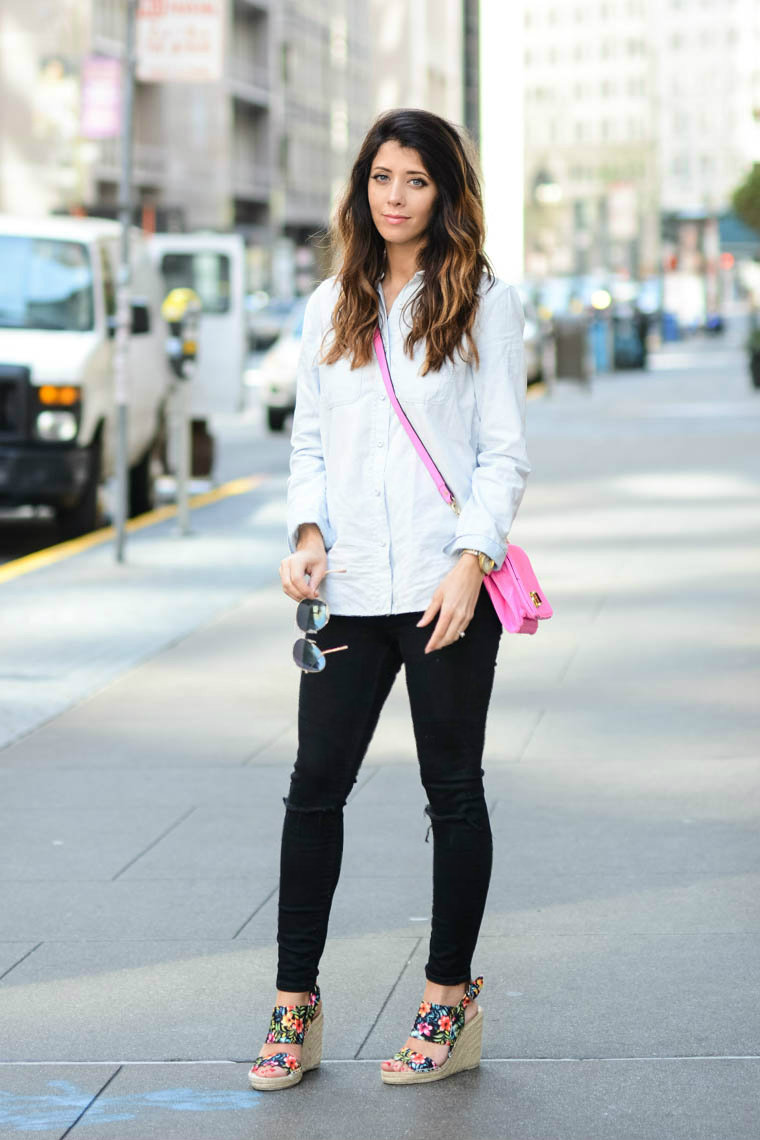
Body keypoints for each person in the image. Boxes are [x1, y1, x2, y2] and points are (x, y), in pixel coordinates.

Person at [248, 108, 530, 1091]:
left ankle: (448, 1003)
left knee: (451, 793)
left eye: (414, 179)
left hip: (444, 587)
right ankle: (295, 1006)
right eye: (381, 178)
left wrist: (469, 561)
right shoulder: (333, 301)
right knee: (312, 785)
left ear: (444, 192)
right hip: (351, 588)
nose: (396, 196)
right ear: (362, 190)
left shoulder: (483, 302)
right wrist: (308, 534)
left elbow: (502, 451)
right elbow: (310, 444)